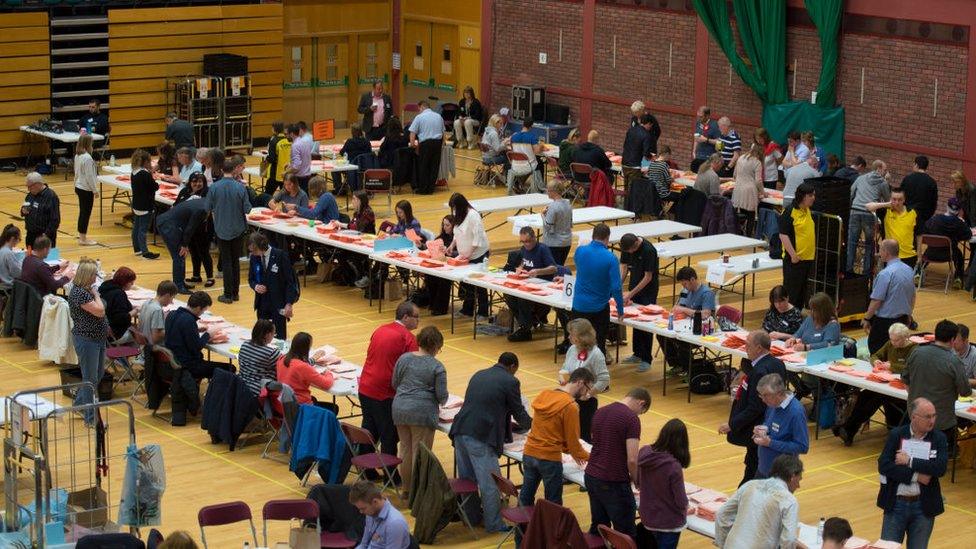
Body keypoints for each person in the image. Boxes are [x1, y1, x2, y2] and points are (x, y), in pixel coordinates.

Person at [449, 352, 532, 533]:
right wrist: (531, 426)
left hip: (460, 430)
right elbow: (518, 411)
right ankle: (494, 525)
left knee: (467, 479)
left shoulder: (479, 374)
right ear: (512, 367)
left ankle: (471, 517)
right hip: (480, 436)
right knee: (489, 483)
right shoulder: (510, 381)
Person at [877, 397, 948, 549]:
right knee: (887, 547)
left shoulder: (939, 438)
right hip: (896, 504)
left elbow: (939, 468)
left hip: (923, 506)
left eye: (934, 416)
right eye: (927, 417)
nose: (932, 421)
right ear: (914, 417)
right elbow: (884, 465)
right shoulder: (897, 435)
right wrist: (917, 476)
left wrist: (910, 461)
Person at [720, 331, 788, 486]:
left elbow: (754, 407)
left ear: (758, 348)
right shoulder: (779, 364)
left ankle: (741, 500)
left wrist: (732, 424)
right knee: (754, 466)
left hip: (756, 429)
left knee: (753, 469)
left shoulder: (758, 372)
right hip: (770, 426)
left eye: (748, 345)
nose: (745, 348)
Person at [519, 368, 594, 506]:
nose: (586, 394)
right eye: (587, 388)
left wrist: (568, 449)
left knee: (526, 495)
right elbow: (574, 444)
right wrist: (592, 457)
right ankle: (550, 527)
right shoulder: (571, 406)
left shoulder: (545, 394)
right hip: (549, 458)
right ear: (580, 383)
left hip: (529, 452)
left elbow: (550, 431)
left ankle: (522, 526)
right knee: (553, 503)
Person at [358, 302, 420, 467]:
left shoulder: (380, 329)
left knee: (369, 429)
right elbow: (412, 370)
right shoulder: (408, 338)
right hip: (384, 393)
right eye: (416, 317)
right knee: (389, 435)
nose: (418, 321)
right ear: (405, 317)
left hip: (365, 386)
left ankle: (366, 469)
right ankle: (390, 474)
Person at [834, 322, 917, 446]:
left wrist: (892, 366)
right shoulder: (890, 344)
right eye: (891, 339)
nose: (893, 343)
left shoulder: (915, 350)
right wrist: (876, 362)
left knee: (873, 399)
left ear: (906, 338)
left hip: (902, 389)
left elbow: (911, 367)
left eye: (896, 340)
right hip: (885, 383)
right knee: (865, 395)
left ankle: (848, 429)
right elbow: (875, 355)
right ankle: (847, 429)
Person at [585, 388, 649, 538]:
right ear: (641, 403)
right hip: (613, 480)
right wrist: (637, 480)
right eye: (641, 411)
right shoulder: (631, 419)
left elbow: (595, 440)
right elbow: (632, 459)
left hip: (591, 475)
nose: (638, 415)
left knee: (599, 527)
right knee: (625, 532)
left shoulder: (600, 411)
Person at [391, 326, 448, 495]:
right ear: (436, 346)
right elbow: (442, 396)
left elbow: (395, 383)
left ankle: (406, 490)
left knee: (405, 449)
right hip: (422, 411)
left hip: (400, 407)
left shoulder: (404, 358)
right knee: (420, 452)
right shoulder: (437, 366)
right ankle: (418, 493)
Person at [903, 319, 972, 449]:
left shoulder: (917, 352)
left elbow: (905, 378)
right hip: (941, 420)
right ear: (952, 340)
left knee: (914, 455)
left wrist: (915, 397)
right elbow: (965, 392)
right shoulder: (954, 361)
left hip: (915, 414)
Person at [715, 454, 805, 549]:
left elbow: (722, 514)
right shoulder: (788, 500)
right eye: (799, 480)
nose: (798, 486)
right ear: (793, 476)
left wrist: (723, 544)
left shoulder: (750, 485)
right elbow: (789, 539)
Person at [568, 224, 624, 356]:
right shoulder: (611, 258)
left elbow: (580, 267)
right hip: (598, 308)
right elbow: (616, 287)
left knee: (578, 343)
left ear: (592, 236)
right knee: (598, 345)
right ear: (607, 238)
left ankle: (577, 370)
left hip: (578, 305)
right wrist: (620, 309)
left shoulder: (580, 251)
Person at [637, 418, 691, 549]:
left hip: (647, 517)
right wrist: (687, 505)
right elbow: (680, 500)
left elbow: (638, 481)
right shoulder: (673, 466)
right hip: (668, 523)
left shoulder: (644, 452)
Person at [67, 259, 108, 425]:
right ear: (86, 276)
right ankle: (91, 419)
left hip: (98, 338)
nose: (95, 279)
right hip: (87, 340)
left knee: (97, 375)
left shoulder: (86, 290)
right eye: (93, 276)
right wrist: (97, 295)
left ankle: (78, 404)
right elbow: (100, 311)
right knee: (90, 380)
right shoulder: (80, 293)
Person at [207, 154, 252, 304]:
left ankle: (227, 294)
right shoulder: (240, 187)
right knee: (235, 261)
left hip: (221, 228)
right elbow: (247, 209)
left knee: (226, 262)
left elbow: (207, 207)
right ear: (233, 170)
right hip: (238, 229)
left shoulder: (214, 187)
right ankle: (235, 293)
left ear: (221, 170)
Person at [559, 318, 610, 441]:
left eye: (572, 335)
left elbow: (604, 379)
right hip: (569, 399)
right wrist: (562, 378)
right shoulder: (572, 349)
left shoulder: (596, 354)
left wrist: (589, 393)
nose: (569, 337)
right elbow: (565, 368)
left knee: (583, 437)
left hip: (586, 402)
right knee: (567, 434)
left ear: (583, 336)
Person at [863, 239, 916, 354]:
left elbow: (877, 301)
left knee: (877, 351)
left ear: (886, 252)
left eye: (880, 250)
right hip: (902, 319)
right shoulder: (909, 270)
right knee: (898, 351)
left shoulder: (885, 274)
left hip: (884, 323)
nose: (879, 253)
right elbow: (912, 296)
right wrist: (909, 314)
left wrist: (867, 318)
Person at [505, 227, 557, 342]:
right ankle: (528, 322)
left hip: (543, 285)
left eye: (528, 241)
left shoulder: (543, 249)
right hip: (529, 284)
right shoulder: (523, 249)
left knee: (523, 299)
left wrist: (538, 271)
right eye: (523, 241)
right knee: (509, 296)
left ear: (534, 238)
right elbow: (524, 261)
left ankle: (525, 329)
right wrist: (520, 268)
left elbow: (553, 268)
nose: (526, 244)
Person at [659, 266, 715, 371]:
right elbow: (679, 307)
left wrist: (684, 310)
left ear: (692, 280)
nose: (684, 286)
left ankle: (687, 369)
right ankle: (676, 364)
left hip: (701, 330)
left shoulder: (707, 293)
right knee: (662, 335)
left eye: (685, 283)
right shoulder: (685, 291)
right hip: (685, 325)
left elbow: (705, 314)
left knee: (682, 341)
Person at [754, 373, 809, 478]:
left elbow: (802, 447)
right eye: (761, 395)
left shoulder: (796, 412)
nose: (763, 399)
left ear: (779, 393)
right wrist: (764, 429)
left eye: (765, 395)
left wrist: (770, 443)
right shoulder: (772, 404)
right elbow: (769, 423)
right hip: (763, 469)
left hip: (781, 476)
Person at [619, 232, 659, 372]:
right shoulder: (627, 246)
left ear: (636, 243)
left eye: (631, 250)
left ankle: (646, 358)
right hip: (634, 285)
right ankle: (637, 353)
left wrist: (630, 293)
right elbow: (624, 267)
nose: (630, 253)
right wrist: (618, 286)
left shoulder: (649, 250)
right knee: (635, 320)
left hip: (648, 290)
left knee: (645, 322)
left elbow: (648, 277)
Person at [156, 191, 210, 295]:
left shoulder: (203, 201)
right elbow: (190, 228)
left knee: (181, 255)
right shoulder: (203, 209)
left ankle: (181, 282)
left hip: (169, 222)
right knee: (179, 255)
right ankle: (178, 286)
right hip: (169, 225)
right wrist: (185, 245)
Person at [247, 232, 298, 339]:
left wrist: (289, 303)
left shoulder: (280, 255)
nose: (252, 253)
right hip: (262, 303)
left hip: (278, 304)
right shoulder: (254, 258)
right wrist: (256, 286)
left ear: (261, 247)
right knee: (261, 337)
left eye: (254, 250)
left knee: (279, 338)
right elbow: (251, 279)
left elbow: (290, 282)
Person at [448, 193, 490, 318]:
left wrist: (469, 254)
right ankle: (467, 309)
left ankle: (483, 311)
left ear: (461, 206)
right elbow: (457, 232)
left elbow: (478, 237)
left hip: (478, 253)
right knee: (466, 282)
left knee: (479, 283)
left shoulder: (473, 215)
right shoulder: (458, 214)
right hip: (465, 254)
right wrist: (452, 245)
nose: (454, 211)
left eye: (455, 208)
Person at [846, 160, 891, 273]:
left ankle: (848, 271)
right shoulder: (883, 183)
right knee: (869, 244)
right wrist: (887, 181)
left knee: (852, 243)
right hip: (869, 214)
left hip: (855, 211)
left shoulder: (860, 178)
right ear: (879, 169)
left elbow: (851, 193)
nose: (886, 172)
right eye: (885, 170)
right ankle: (866, 273)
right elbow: (888, 201)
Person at [779, 182, 816, 308]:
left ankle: (796, 319)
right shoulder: (789, 212)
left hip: (807, 259)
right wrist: (793, 255)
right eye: (810, 195)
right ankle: (786, 319)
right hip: (794, 261)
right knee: (791, 293)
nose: (813, 198)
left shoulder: (807, 210)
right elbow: (783, 235)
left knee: (802, 293)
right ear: (803, 196)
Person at [275, 331, 335, 407]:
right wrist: (328, 372)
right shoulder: (302, 367)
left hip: (284, 402)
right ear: (306, 349)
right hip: (301, 407)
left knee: (314, 399)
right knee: (333, 408)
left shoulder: (282, 358)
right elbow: (327, 384)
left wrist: (314, 359)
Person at [924, 197, 972, 285]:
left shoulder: (935, 219)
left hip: (931, 253)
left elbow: (925, 231)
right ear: (959, 211)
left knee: (926, 252)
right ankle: (958, 278)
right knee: (960, 256)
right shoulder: (959, 223)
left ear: (947, 207)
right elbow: (968, 235)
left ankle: (918, 272)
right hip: (950, 254)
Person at [349, 481, 410, 549]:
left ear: (375, 502)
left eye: (363, 508)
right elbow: (364, 545)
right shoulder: (371, 513)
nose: (361, 512)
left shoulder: (395, 524)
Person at [867, 188, 919, 268]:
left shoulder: (913, 213)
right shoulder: (885, 211)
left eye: (900, 200)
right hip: (890, 255)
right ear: (890, 199)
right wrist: (887, 204)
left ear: (904, 200)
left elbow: (919, 234)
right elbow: (868, 207)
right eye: (894, 199)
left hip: (908, 255)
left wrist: (919, 254)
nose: (897, 202)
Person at [128, 149, 160, 259]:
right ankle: (145, 252)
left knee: (136, 228)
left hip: (136, 204)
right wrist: (151, 174)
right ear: (145, 162)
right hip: (146, 205)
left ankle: (137, 249)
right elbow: (154, 187)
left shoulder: (134, 172)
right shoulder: (145, 174)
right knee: (143, 230)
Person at [408, 100, 444, 195]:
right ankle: (431, 188)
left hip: (425, 144)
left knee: (424, 166)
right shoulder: (438, 116)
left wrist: (412, 145)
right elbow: (443, 133)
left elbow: (412, 132)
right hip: (437, 143)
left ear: (422, 107)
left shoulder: (419, 117)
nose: (419, 111)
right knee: (434, 167)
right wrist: (442, 145)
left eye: (419, 109)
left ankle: (423, 190)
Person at [237, 319, 280, 396]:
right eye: (273, 334)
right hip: (258, 391)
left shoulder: (245, 344)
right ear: (267, 335)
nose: (273, 336)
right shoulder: (271, 353)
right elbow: (284, 365)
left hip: (240, 385)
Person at [423, 215, 456, 314]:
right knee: (429, 275)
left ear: (453, 226)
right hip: (440, 264)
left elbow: (460, 253)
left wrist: (448, 252)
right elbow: (431, 245)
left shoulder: (457, 238)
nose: (445, 227)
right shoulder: (442, 236)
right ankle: (433, 303)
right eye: (443, 225)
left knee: (443, 279)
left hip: (452, 266)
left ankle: (441, 308)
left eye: (447, 225)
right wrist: (423, 246)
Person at [900, 155, 939, 237]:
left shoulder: (907, 179)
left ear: (916, 165)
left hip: (906, 214)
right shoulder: (932, 182)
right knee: (918, 241)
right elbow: (933, 203)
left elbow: (900, 196)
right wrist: (926, 217)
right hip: (922, 217)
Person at [731, 143, 765, 236]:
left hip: (738, 189)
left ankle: (737, 234)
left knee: (740, 215)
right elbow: (758, 181)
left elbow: (734, 175)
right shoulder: (757, 162)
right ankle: (748, 237)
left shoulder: (741, 158)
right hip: (749, 191)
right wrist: (763, 192)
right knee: (751, 216)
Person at [21, 172, 60, 248]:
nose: (28, 189)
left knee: (45, 260)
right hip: (30, 235)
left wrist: (45, 235)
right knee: (30, 258)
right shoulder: (30, 195)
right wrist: (23, 211)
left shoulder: (51, 196)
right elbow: (25, 207)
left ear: (37, 184)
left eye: (30, 187)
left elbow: (55, 219)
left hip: (44, 237)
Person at [506, 118, 544, 194]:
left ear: (523, 125)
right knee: (540, 163)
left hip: (515, 166)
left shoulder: (513, 137)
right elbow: (537, 151)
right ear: (531, 126)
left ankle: (518, 183)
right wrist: (541, 145)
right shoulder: (532, 137)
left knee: (527, 164)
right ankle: (539, 187)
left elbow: (513, 151)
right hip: (528, 166)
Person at [98, 267, 136, 343]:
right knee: (144, 336)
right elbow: (121, 319)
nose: (132, 284)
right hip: (114, 334)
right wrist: (135, 311)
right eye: (131, 282)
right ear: (125, 282)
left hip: (103, 330)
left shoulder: (106, 286)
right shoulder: (119, 294)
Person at [73, 133, 98, 246]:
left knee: (82, 212)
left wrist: (75, 184)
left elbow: (76, 172)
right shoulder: (87, 158)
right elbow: (90, 176)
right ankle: (83, 239)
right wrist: (95, 190)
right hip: (85, 189)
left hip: (79, 186)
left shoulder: (78, 155)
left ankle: (81, 234)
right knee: (85, 213)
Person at [541, 180, 572, 265]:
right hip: (567, 242)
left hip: (554, 244)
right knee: (560, 267)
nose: (547, 192)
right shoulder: (568, 204)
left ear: (553, 191)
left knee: (554, 269)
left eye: (548, 190)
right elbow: (570, 223)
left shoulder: (553, 207)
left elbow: (548, 227)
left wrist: (543, 215)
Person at [622, 114, 656, 190]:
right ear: (648, 123)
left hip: (624, 163)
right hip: (635, 166)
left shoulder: (631, 130)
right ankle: (630, 202)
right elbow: (646, 153)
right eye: (651, 126)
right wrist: (652, 157)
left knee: (626, 189)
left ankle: (625, 202)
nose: (650, 128)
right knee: (633, 190)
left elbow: (625, 145)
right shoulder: (646, 135)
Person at [138, 280, 177, 346]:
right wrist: (172, 330)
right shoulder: (157, 310)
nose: (171, 302)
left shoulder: (146, 303)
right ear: (167, 295)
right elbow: (156, 337)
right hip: (153, 349)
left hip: (144, 344)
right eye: (172, 298)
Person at [339, 123, 373, 192]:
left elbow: (342, 153)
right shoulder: (367, 142)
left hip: (351, 166)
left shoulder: (349, 142)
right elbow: (370, 153)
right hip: (365, 166)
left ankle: (339, 189)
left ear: (352, 132)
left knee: (335, 172)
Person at [691, 105, 720, 172]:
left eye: (701, 117)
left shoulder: (715, 125)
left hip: (709, 158)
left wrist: (706, 140)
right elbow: (696, 139)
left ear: (707, 116)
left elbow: (719, 142)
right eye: (698, 116)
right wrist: (694, 151)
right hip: (698, 157)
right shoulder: (698, 123)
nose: (698, 118)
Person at [262, 121, 289, 195]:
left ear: (274, 129)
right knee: (286, 196)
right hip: (286, 172)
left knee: (267, 195)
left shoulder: (273, 141)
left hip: (275, 173)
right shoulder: (288, 140)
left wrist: (265, 162)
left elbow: (271, 158)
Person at [287, 123, 313, 193]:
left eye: (287, 134)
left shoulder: (295, 145)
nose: (286, 136)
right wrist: (290, 164)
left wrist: (286, 172)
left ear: (292, 134)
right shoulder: (305, 142)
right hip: (307, 176)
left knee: (297, 201)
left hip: (299, 179)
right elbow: (304, 158)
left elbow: (296, 167)